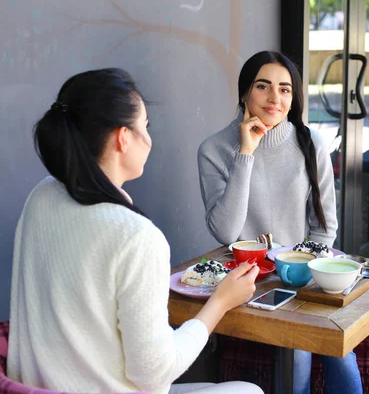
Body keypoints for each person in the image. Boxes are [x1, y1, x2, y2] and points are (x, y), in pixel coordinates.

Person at [8, 68, 263, 394]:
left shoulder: (42, 196)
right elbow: (155, 378)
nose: (150, 138)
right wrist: (220, 302)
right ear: (122, 137)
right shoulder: (135, 237)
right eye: (145, 127)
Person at [197, 51, 363, 394]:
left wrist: (302, 270)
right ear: (245, 93)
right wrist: (246, 152)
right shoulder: (214, 149)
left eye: (285, 89)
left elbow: (324, 227)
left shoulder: (310, 143)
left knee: (339, 346)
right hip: (249, 279)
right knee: (296, 351)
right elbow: (226, 232)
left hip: (306, 271)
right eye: (263, 86)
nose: (275, 98)